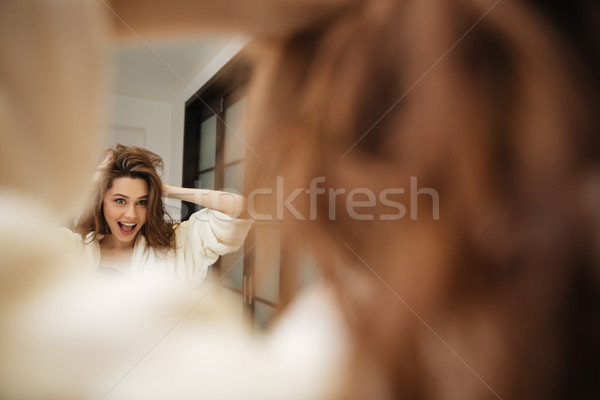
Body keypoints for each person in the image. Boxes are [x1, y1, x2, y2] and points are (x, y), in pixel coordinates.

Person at [66, 144, 252, 283]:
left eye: (142, 202)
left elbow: (238, 208)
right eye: (120, 201)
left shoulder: (177, 243)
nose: (131, 215)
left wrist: (163, 189)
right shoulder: (74, 249)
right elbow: (38, 226)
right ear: (101, 202)